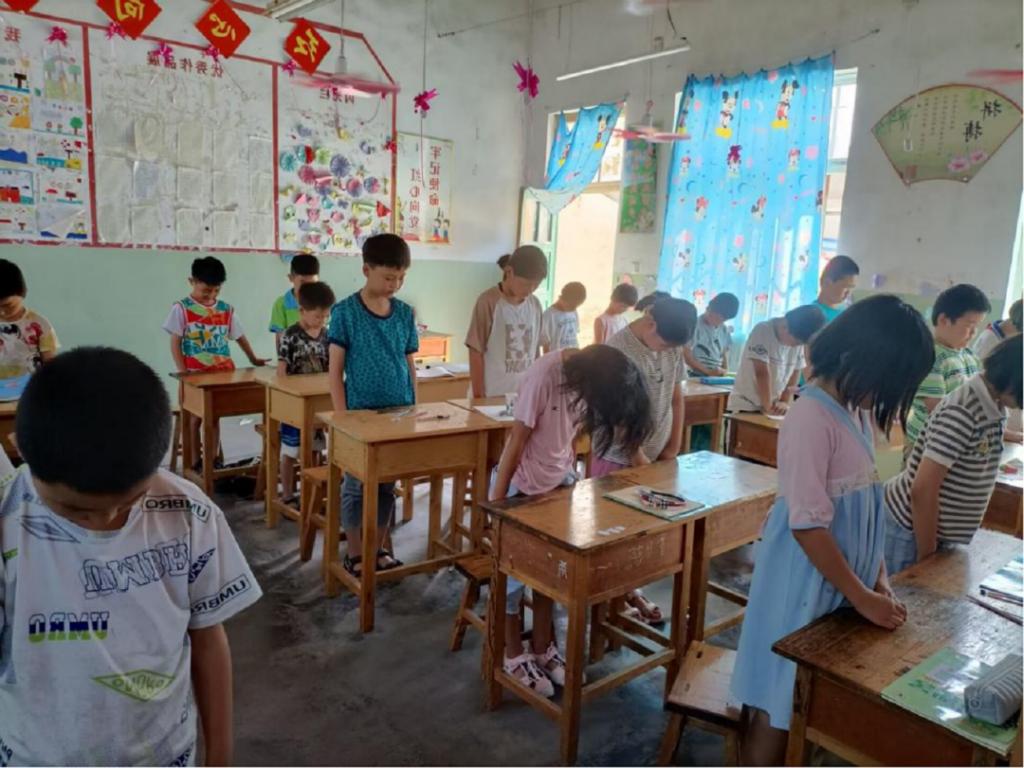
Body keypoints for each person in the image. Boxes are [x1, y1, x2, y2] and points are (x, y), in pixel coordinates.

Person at [0, 347, 261, 765]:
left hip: (166, 753)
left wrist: (220, 755)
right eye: (75, 510)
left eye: (128, 502)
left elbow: (208, 637)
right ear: (19, 450)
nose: (105, 519)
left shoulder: (187, 512)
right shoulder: (8, 523)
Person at [731, 295, 934, 765]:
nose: (884, 395)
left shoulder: (855, 412)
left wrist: (878, 579)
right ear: (857, 359)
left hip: (839, 584)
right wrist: (862, 596)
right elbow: (807, 526)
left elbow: (865, 508)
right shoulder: (810, 416)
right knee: (780, 695)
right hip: (802, 584)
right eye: (886, 381)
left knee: (809, 698)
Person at [491, 345, 652, 697]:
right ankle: (513, 653)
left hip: (558, 485)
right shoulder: (544, 375)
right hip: (521, 488)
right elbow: (515, 441)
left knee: (549, 574)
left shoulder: (592, 377)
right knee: (512, 582)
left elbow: (571, 437)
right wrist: (497, 507)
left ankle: (542, 648)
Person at [591, 296, 698, 624]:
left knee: (640, 534)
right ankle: (609, 600)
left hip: (655, 457)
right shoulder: (617, 351)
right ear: (650, 322)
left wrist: (673, 446)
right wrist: (638, 457)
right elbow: (617, 417)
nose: (667, 351)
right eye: (664, 344)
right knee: (612, 533)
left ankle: (627, 590)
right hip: (618, 457)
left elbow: (676, 397)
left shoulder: (672, 344)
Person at [884, 334, 1022, 574]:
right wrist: (927, 556)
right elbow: (922, 489)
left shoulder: (994, 405)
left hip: (934, 534)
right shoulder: (964, 410)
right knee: (909, 592)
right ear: (1013, 379)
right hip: (908, 531)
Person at [328, 234, 418, 575]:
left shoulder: (405, 313)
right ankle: (354, 554)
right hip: (360, 416)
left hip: (398, 413)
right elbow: (335, 372)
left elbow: (409, 364)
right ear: (366, 270)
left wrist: (414, 407)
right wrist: (342, 418)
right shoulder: (345, 312)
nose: (395, 284)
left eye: (401, 278)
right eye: (388, 277)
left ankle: (377, 549)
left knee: (385, 487)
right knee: (355, 487)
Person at [163, 256, 268, 470]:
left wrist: (253, 358)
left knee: (214, 418)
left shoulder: (225, 310)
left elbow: (239, 336)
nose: (211, 295)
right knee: (194, 420)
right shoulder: (182, 308)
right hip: (194, 374)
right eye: (206, 291)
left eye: (216, 290)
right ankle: (195, 463)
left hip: (222, 373)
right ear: (191, 282)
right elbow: (175, 342)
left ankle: (211, 462)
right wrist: (183, 372)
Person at [904, 283, 991, 456]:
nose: (973, 333)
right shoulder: (930, 357)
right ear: (943, 320)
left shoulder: (969, 356)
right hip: (927, 446)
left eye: (977, 326)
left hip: (958, 441)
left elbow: (981, 398)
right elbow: (938, 409)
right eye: (969, 325)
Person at [276, 281, 335, 505]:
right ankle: (288, 494)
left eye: (326, 316)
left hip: (317, 402)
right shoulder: (290, 335)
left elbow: (331, 368)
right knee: (291, 450)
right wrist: (285, 400)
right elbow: (282, 370)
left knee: (316, 448)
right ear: (302, 311)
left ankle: (312, 495)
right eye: (318, 316)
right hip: (295, 403)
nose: (322, 321)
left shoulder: (327, 335)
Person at [466, 247, 548, 397]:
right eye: (525, 284)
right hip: (492, 394)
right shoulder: (489, 301)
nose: (530, 290)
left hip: (524, 395)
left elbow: (536, 350)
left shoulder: (535, 305)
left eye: (536, 285)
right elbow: (475, 351)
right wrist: (479, 397)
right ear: (509, 272)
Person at [727, 305, 825, 415]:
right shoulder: (763, 330)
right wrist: (768, 406)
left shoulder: (799, 337)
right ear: (785, 327)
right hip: (747, 404)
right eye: (796, 342)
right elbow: (761, 373)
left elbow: (795, 372)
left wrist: (784, 401)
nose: (795, 346)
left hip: (774, 405)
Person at [0, 258, 59, 379]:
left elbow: (50, 365)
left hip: (29, 386)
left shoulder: (40, 325)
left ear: (22, 293)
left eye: (8, 305)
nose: (2, 311)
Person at [974, 298, 1022, 443]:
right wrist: (1010, 434)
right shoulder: (990, 342)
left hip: (1003, 428)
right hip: (992, 431)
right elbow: (986, 398)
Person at [269, 252, 320, 352]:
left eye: (312, 283)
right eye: (303, 282)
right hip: (293, 358)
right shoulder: (281, 304)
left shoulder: (322, 303)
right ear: (291, 278)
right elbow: (280, 339)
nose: (308, 288)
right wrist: (282, 360)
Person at [684, 292, 739, 377]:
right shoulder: (694, 326)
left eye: (722, 319)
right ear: (708, 308)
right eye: (716, 317)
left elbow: (724, 353)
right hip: (695, 374)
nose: (718, 321)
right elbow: (687, 356)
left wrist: (725, 369)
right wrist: (708, 372)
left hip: (716, 375)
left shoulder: (724, 329)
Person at [540, 281, 586, 353]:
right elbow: (545, 345)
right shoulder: (548, 316)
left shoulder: (574, 311)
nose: (574, 308)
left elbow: (574, 335)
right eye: (571, 306)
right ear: (563, 299)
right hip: (557, 358)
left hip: (574, 356)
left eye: (577, 306)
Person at [813, 255, 860, 323]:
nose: (848, 293)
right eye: (846, 287)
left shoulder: (847, 312)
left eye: (851, 288)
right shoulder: (813, 316)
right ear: (827, 283)